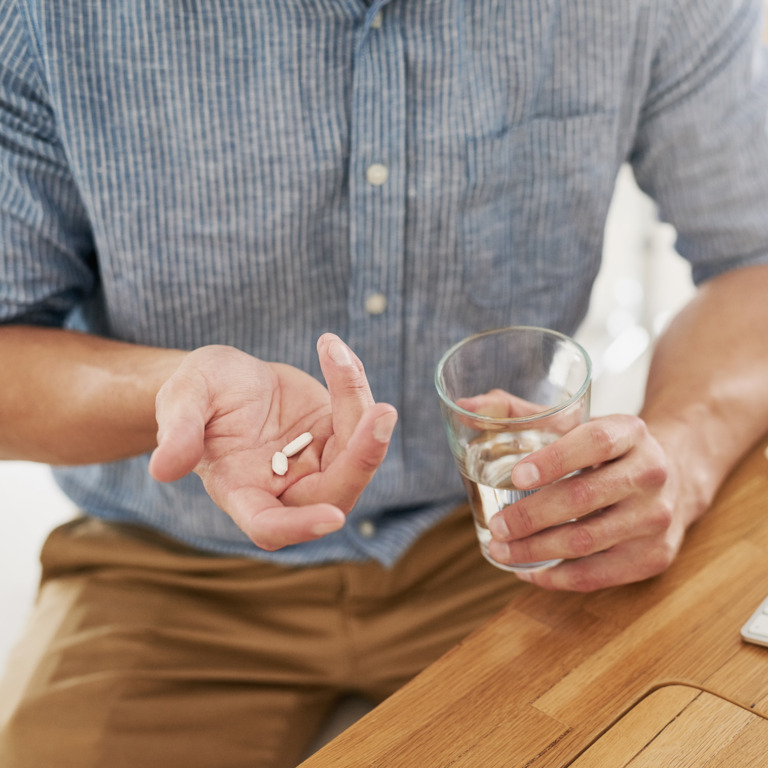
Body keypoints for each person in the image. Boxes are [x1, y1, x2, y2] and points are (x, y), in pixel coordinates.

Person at [1, 1, 767, 766]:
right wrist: (173, 390)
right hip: (164, 565)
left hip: (513, 538)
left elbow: (753, 258)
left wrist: (685, 452)